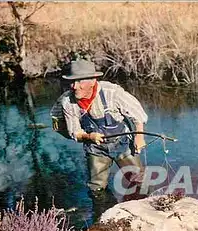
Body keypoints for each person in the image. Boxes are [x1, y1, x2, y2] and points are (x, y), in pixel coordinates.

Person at [50, 59, 147, 218]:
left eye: (79, 81)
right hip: (95, 149)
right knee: (96, 189)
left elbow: (138, 114)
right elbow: (75, 133)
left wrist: (139, 137)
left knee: (139, 180)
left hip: (122, 144)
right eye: (72, 82)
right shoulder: (67, 102)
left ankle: (141, 213)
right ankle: (104, 217)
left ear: (92, 81)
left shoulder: (112, 93)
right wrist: (89, 136)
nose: (74, 86)